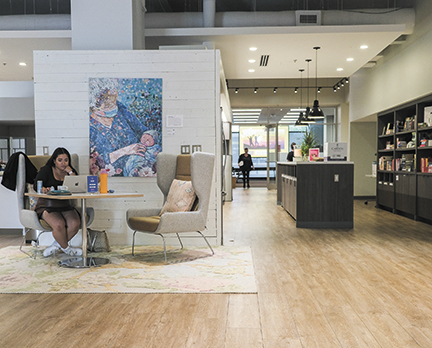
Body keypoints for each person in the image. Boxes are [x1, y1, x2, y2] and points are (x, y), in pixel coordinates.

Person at [89, 78, 159, 177]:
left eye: (114, 100)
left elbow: (144, 131)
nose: (114, 106)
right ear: (95, 104)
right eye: (108, 104)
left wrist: (148, 140)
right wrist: (125, 150)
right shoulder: (90, 129)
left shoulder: (121, 110)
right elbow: (96, 162)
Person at [33, 147, 82, 257]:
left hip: (65, 205)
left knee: (75, 224)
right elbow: (37, 185)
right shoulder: (46, 170)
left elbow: (77, 186)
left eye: (66, 160)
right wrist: (43, 189)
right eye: (60, 160)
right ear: (54, 160)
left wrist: (70, 172)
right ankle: (68, 249)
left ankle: (56, 246)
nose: (63, 163)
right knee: (59, 225)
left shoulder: (71, 172)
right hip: (47, 205)